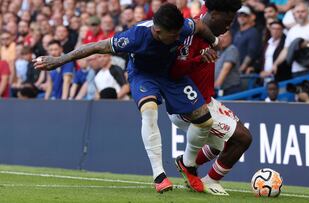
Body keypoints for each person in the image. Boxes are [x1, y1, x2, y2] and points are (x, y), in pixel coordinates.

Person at [33, 3, 219, 193]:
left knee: (204, 120)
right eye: (173, 34)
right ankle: (159, 175)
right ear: (157, 31)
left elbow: (200, 26)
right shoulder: (135, 37)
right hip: (143, 75)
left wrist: (214, 42)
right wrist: (58, 60)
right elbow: (96, 46)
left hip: (171, 73)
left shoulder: (182, 27)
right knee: (149, 112)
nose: (178, 37)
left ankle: (187, 164)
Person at [169, 0, 251, 195]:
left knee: (221, 145)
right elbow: (173, 72)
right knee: (243, 138)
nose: (228, 26)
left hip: (207, 100)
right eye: (227, 22)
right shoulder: (190, 34)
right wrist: (198, 60)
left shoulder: (211, 17)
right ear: (213, 14)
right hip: (188, 104)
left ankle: (186, 164)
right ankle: (210, 180)